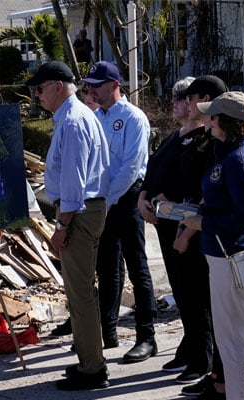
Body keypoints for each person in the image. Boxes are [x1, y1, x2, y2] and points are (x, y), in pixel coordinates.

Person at [181, 91, 244, 400]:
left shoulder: (236, 159)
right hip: (229, 255)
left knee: (233, 340)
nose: (208, 121)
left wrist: (202, 223)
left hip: (230, 256)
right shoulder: (229, 154)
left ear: (225, 122)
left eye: (212, 116)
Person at [26, 61, 110, 390]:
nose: (37, 94)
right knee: (81, 292)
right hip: (84, 210)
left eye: (41, 87)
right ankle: (90, 362)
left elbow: (74, 184)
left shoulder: (73, 121)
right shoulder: (72, 117)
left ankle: (93, 368)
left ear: (59, 85)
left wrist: (62, 226)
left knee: (81, 294)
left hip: (79, 212)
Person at [137, 77, 214, 385]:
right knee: (181, 291)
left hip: (186, 225)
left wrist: (164, 197)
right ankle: (189, 344)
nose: (176, 102)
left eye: (183, 97)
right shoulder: (174, 135)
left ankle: (202, 355)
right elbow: (153, 169)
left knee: (196, 292)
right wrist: (144, 196)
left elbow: (193, 180)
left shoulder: (202, 138)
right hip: (164, 224)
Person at [82, 61, 157, 363]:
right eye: (89, 85)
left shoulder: (133, 118)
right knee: (106, 268)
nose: (91, 91)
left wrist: (108, 199)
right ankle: (107, 332)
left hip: (126, 199)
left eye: (97, 85)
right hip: (103, 201)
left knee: (137, 266)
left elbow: (130, 167)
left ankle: (146, 335)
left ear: (114, 85)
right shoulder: (96, 117)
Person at [173, 75, 229, 400]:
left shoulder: (223, 149)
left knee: (221, 317)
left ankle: (222, 379)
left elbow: (211, 197)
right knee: (209, 309)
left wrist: (187, 229)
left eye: (197, 100)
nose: (192, 106)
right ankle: (216, 375)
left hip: (213, 237)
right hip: (198, 229)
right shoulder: (206, 139)